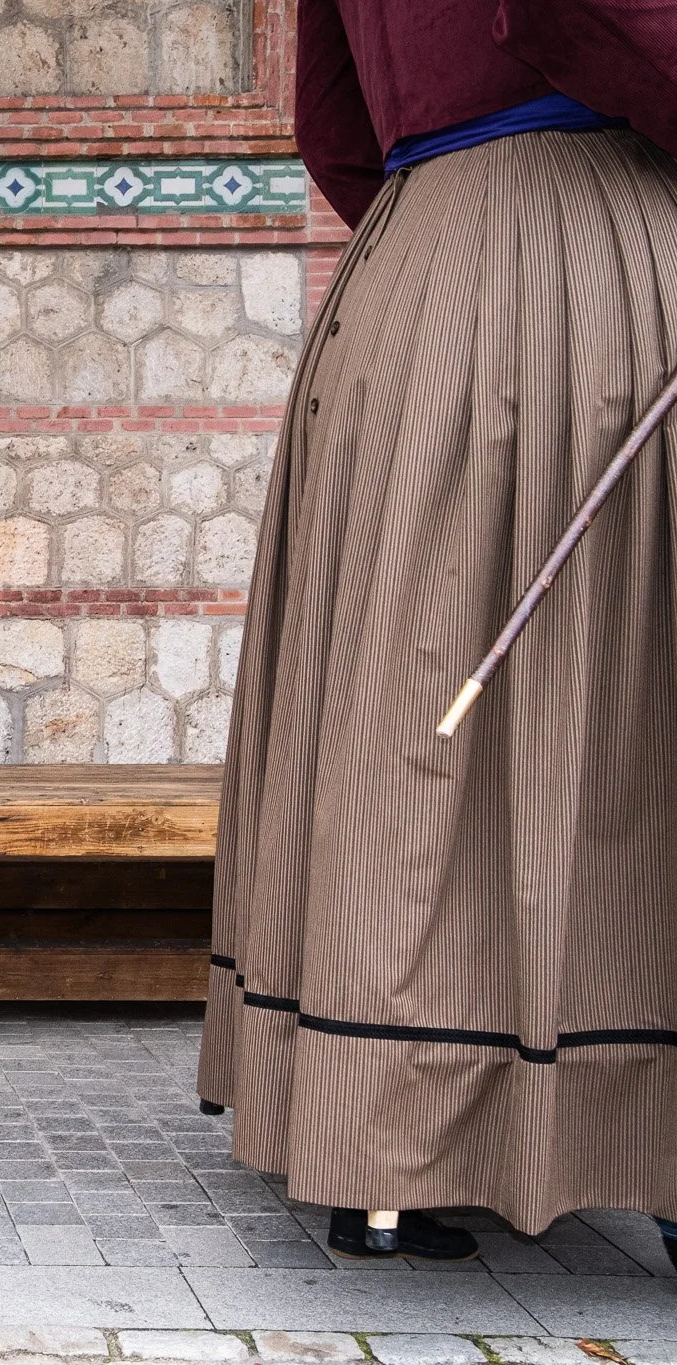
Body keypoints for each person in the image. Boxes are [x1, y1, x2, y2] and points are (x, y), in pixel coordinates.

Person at [199, 0, 677, 1261]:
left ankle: (377, 1152)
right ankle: (639, 1137)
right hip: (584, 247)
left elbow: (329, 122)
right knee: (614, 697)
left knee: (396, 705)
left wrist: (448, 247)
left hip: (409, 274)